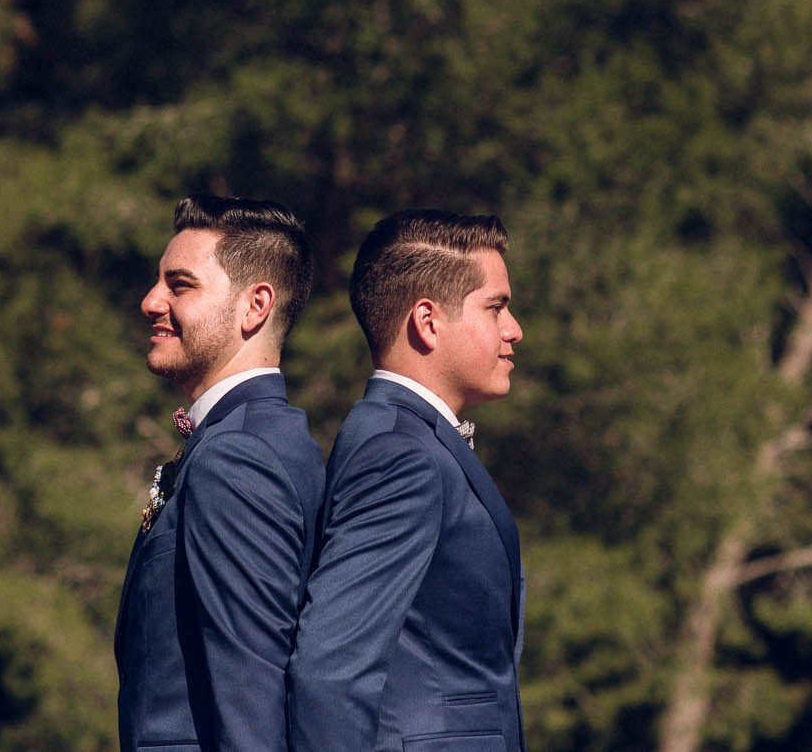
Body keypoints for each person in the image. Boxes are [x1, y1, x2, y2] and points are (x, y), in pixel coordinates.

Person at [285, 209, 526, 751]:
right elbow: (330, 671)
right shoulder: (400, 453)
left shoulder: (412, 440)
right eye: (496, 308)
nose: (513, 330)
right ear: (428, 320)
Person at [115, 195, 327, 752]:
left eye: (180, 285)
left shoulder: (239, 457)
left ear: (254, 306)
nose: (150, 301)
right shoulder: (257, 439)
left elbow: (249, 694)